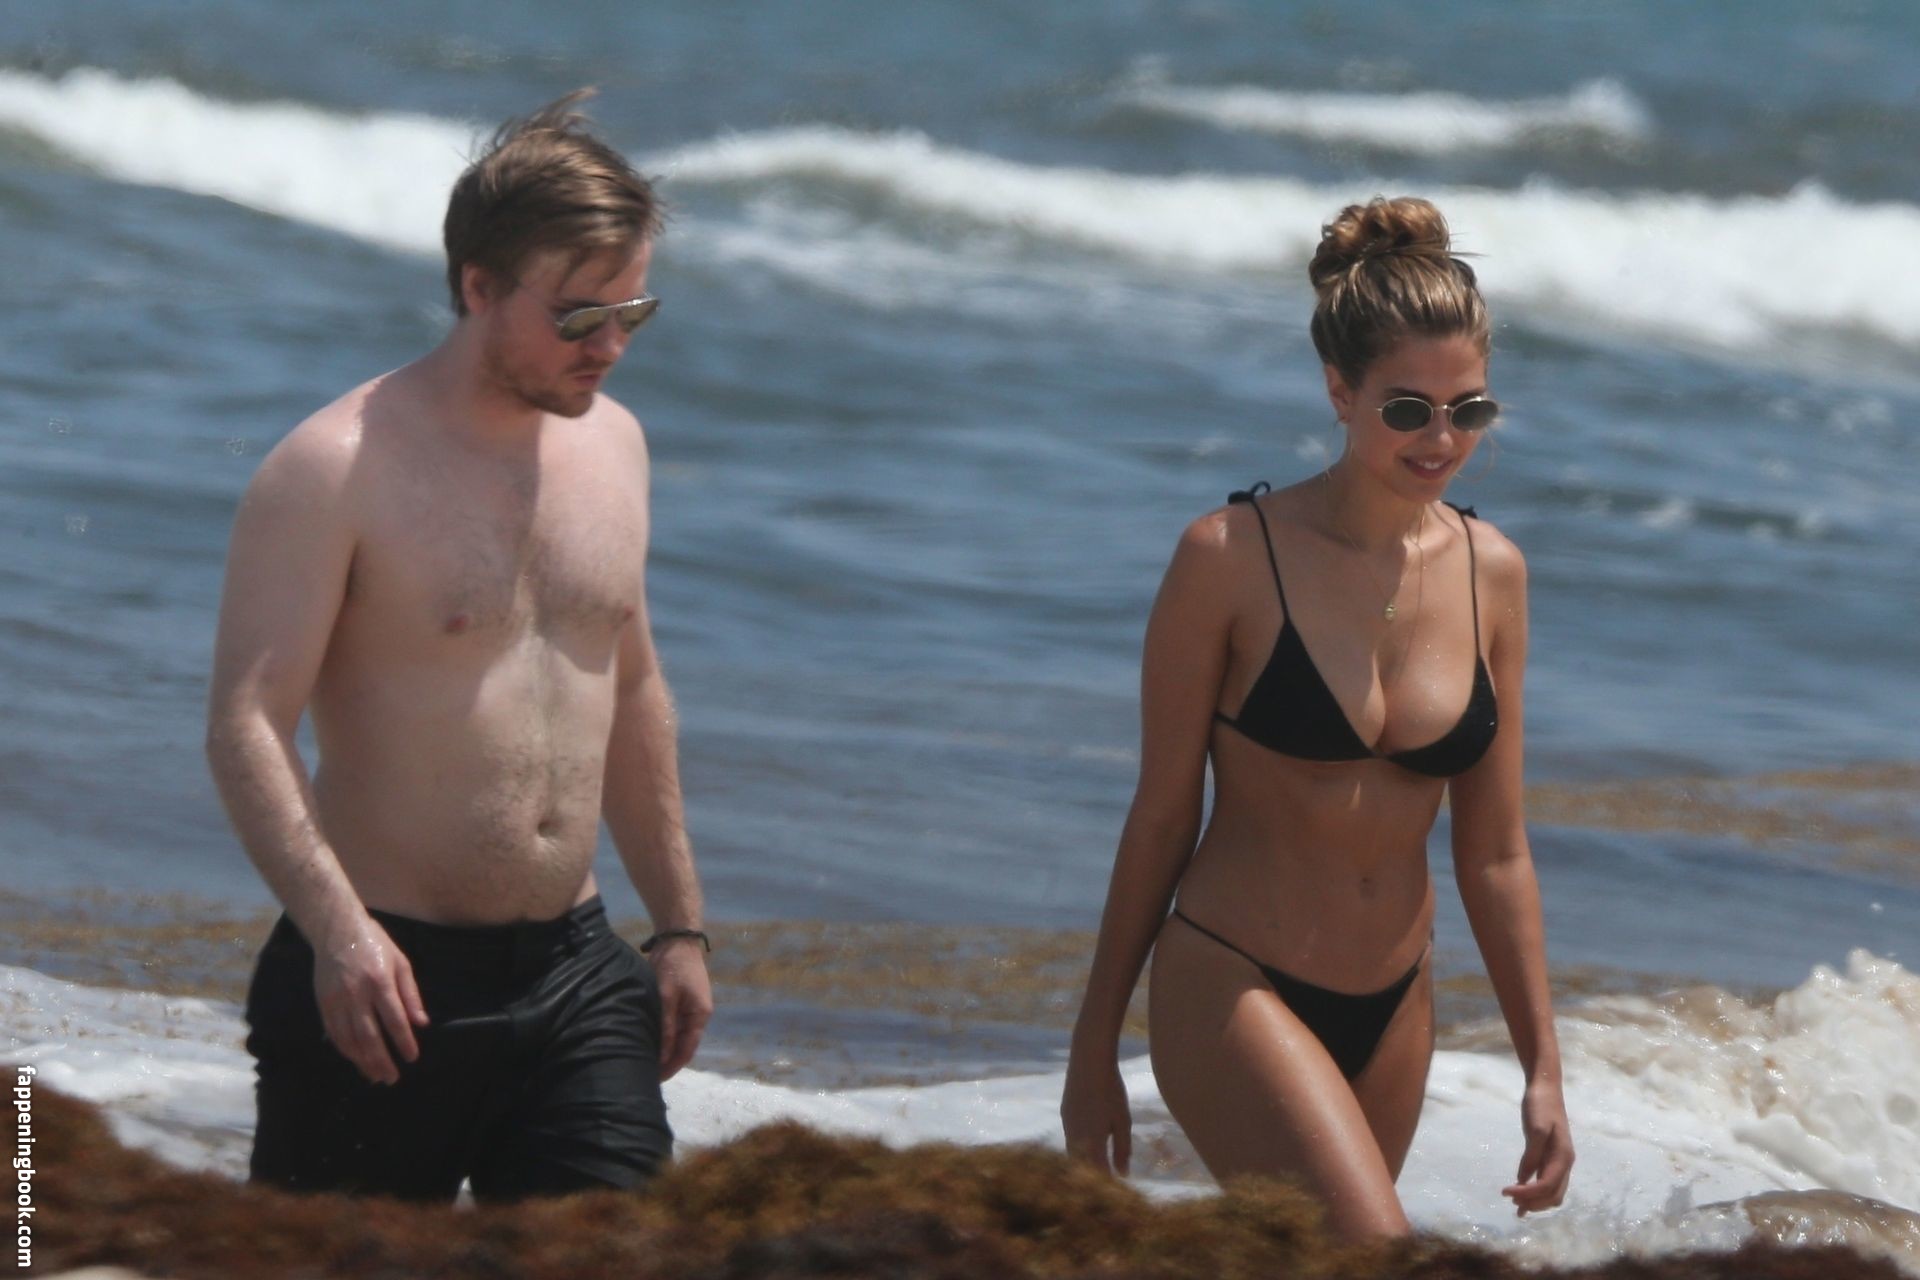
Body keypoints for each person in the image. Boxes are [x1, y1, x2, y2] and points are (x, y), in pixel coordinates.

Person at [205, 91, 712, 1202]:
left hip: (579, 970)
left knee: (622, 1263)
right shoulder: (335, 469)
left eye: (634, 310)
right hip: (385, 979)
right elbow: (247, 723)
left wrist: (678, 926)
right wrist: (337, 932)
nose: (612, 347)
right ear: (479, 287)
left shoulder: (617, 450)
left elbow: (632, 688)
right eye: (579, 317)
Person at [1061, 197, 1573, 1239]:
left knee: (1308, 1264)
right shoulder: (1228, 558)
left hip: (1396, 1003)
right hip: (1234, 979)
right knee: (1379, 1252)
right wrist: (1092, 1049)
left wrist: (1543, 1068)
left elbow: (1495, 852)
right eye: (1408, 409)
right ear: (1339, 392)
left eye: (1469, 409)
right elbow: (1161, 815)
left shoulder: (1494, 574)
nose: (1442, 439)